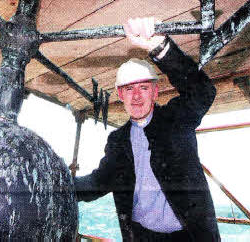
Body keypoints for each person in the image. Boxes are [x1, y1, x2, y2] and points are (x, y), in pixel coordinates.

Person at [74, 17, 221, 241]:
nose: (136, 96)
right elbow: (98, 182)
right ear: (120, 95)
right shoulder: (117, 140)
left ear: (155, 91)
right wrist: (55, 183)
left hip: (189, 237)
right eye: (129, 89)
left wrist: (160, 47)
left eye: (144, 87)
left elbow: (202, 92)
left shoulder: (176, 120)